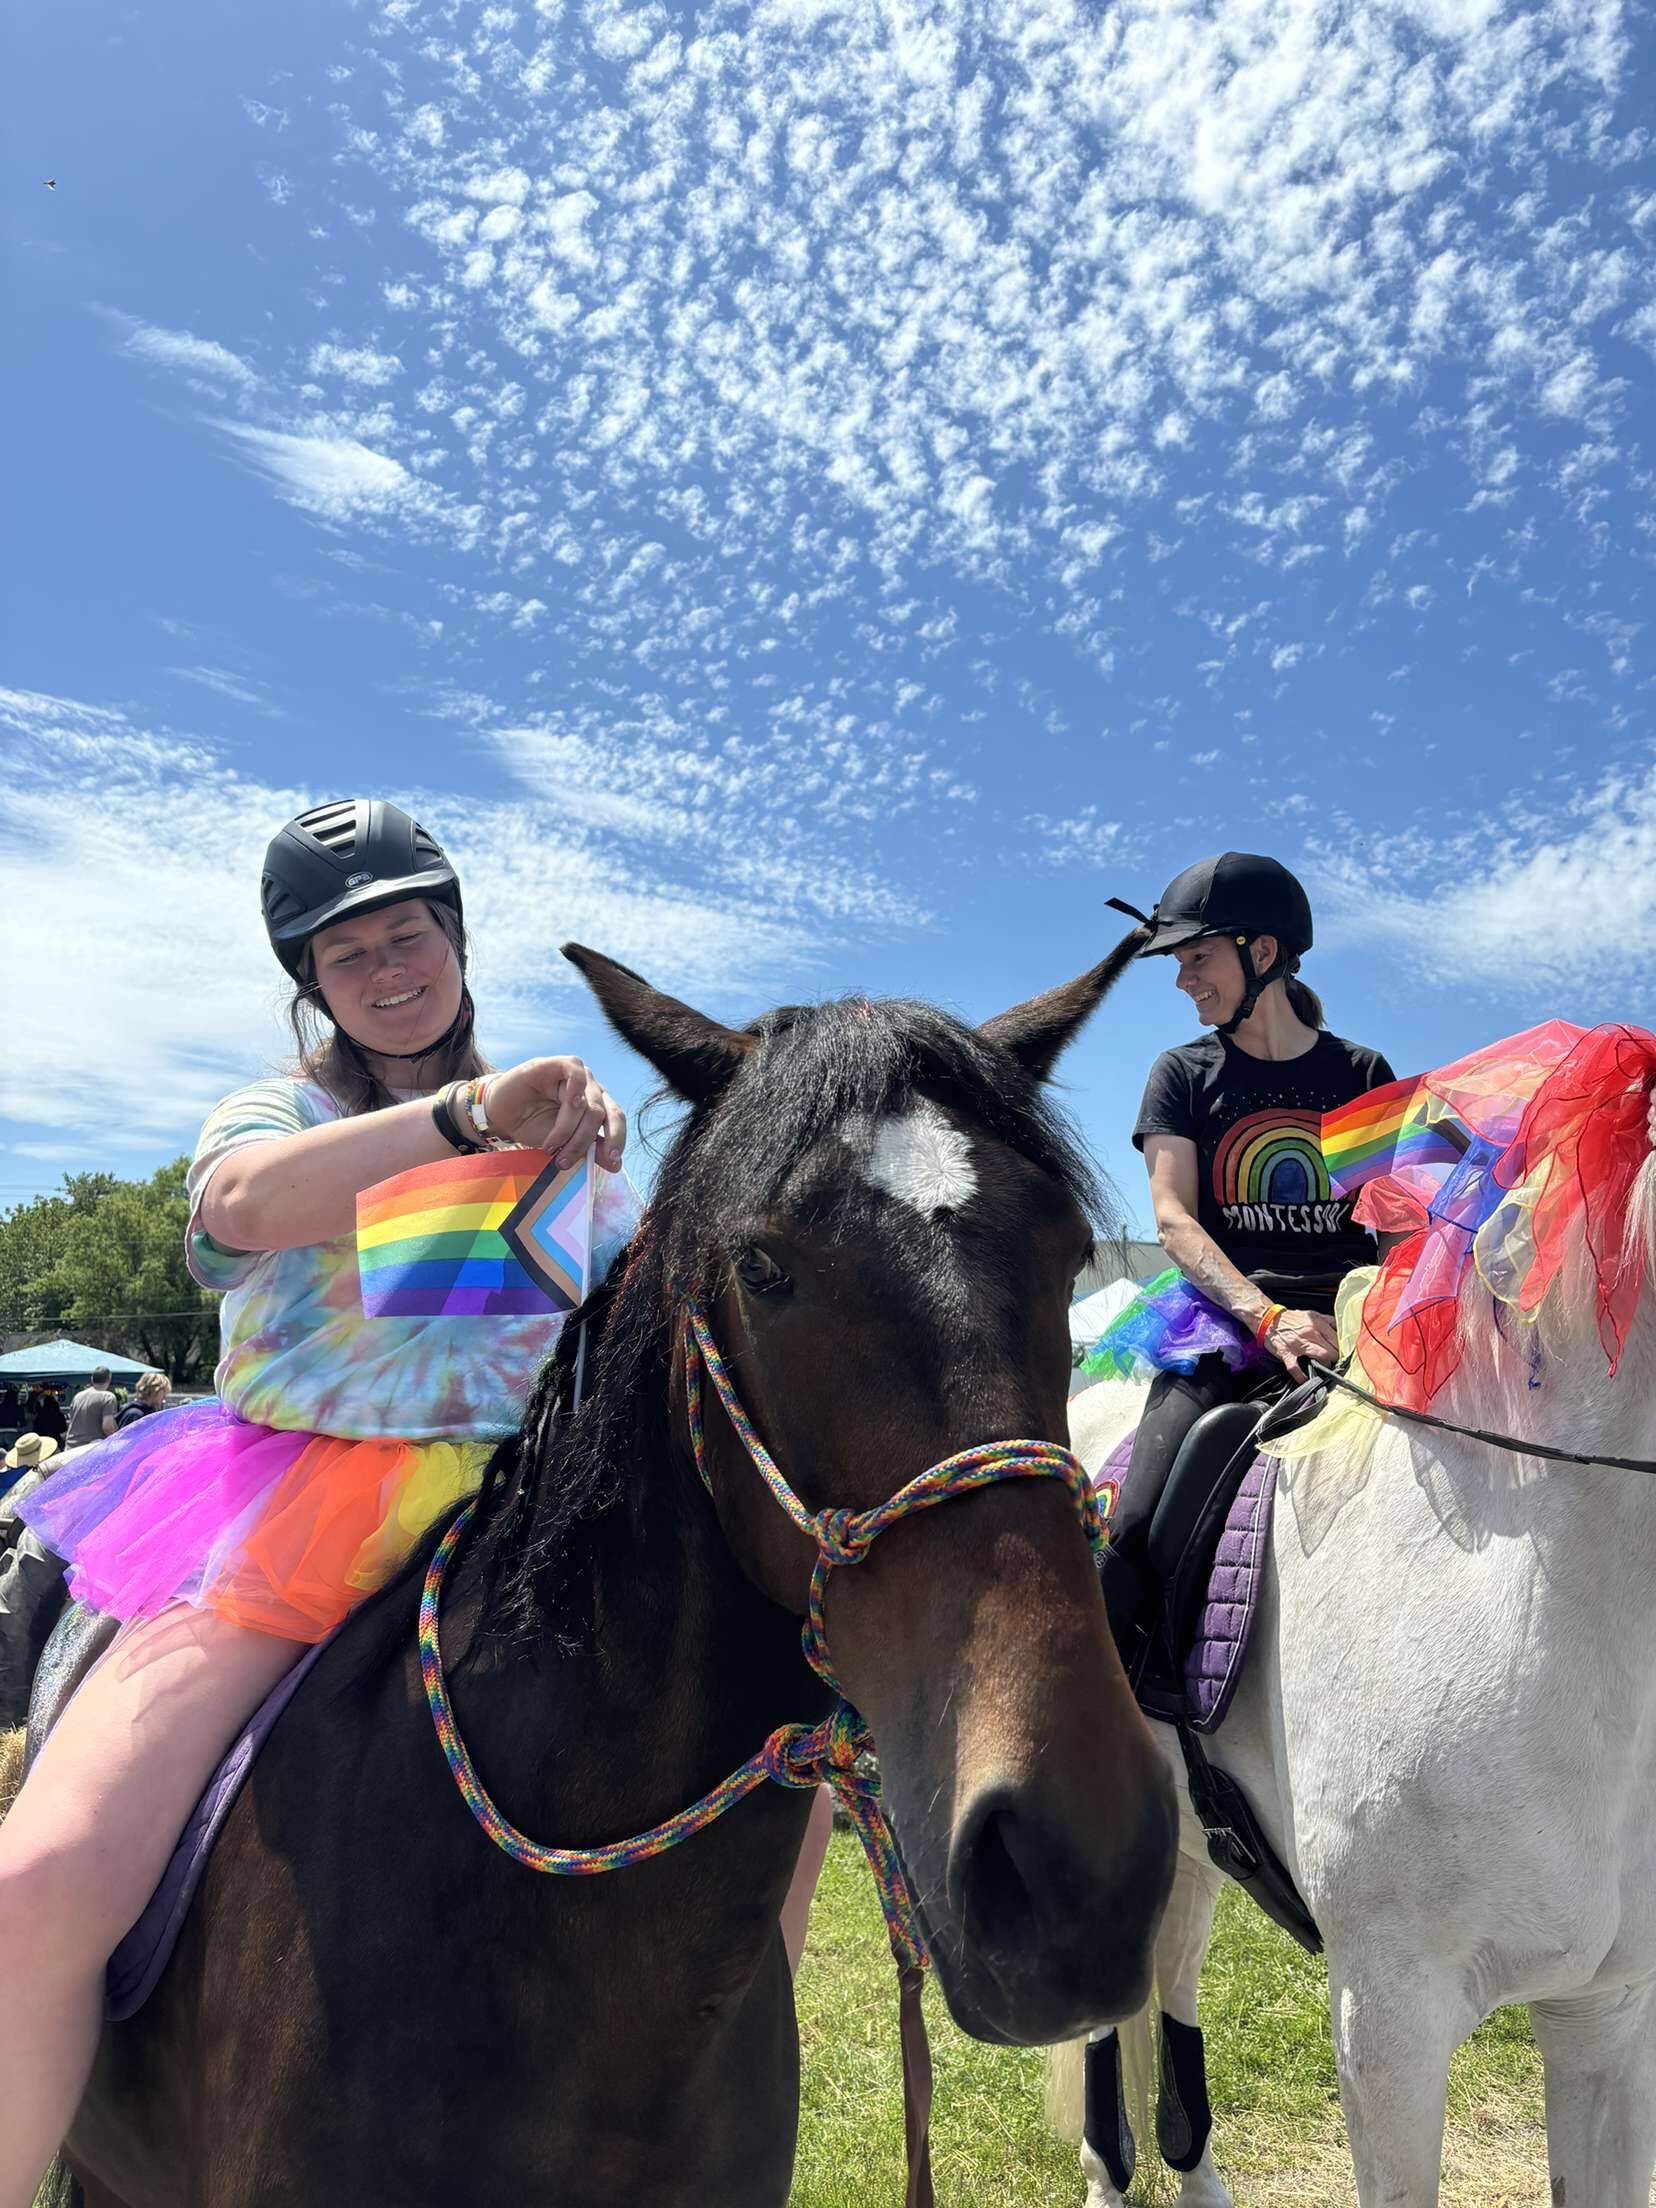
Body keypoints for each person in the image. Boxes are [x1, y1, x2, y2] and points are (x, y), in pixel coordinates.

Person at [0, 796, 650, 2207]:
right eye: (345, 952)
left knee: (767, 1785)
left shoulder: (569, 1130)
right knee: (34, 1883)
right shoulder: (278, 1111)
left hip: (533, 1502)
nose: (387, 967)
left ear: (457, 938)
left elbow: (636, 1302)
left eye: (409, 933)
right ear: (311, 983)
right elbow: (236, 1207)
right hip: (289, 1507)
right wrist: (465, 1117)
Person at [1097, 852, 1394, 1679]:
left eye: (1199, 957)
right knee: (1132, 1527)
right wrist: (1266, 1318)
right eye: (1180, 962)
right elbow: (1174, 1219)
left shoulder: (1361, 1074)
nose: (1184, 980)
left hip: (1351, 1323)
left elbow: (1398, 1227)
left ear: (1262, 954)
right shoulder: (1183, 1075)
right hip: (1228, 1321)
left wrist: (1355, 1319)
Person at [63, 1369, 118, 1451]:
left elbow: (72, 1420)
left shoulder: (78, 1396)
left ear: (92, 1379)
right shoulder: (108, 1397)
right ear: (109, 1380)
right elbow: (107, 1427)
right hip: (90, 1450)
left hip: (70, 1448)